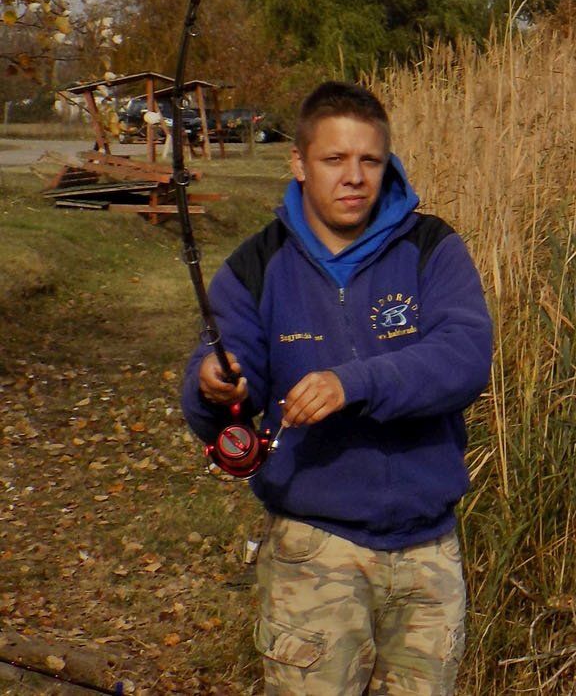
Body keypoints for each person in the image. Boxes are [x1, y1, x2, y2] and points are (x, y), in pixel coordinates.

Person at [180, 81, 493, 694]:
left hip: (429, 550)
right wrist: (213, 387)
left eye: (369, 160)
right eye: (334, 160)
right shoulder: (255, 267)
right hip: (313, 546)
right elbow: (221, 392)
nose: (354, 177)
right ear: (298, 163)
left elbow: (464, 359)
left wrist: (354, 383)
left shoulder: (434, 248)